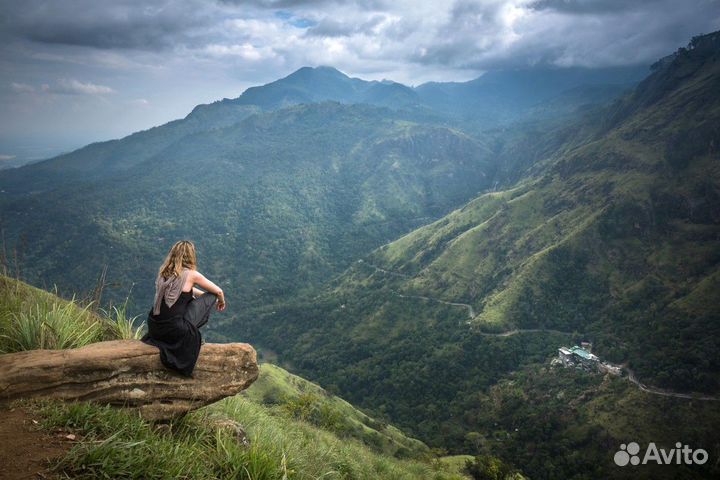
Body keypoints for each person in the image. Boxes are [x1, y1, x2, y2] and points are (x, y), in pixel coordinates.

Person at [142, 240, 226, 376]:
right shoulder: (192, 274)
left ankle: (187, 328)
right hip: (174, 329)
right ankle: (189, 331)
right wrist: (220, 301)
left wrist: (200, 296)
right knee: (211, 296)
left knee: (200, 297)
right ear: (191, 256)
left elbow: (185, 292)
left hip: (155, 327)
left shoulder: (164, 273)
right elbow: (218, 292)